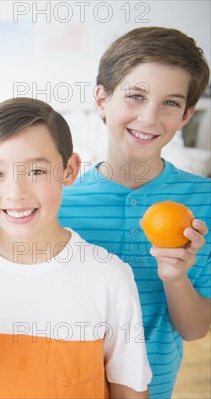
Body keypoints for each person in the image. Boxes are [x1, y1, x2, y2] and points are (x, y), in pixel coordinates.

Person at [0, 97, 152, 398]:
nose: (16, 193)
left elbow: (130, 389)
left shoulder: (109, 277)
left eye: (36, 172)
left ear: (69, 171)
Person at [58, 27, 211, 398]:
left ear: (187, 114)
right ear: (101, 99)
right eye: (136, 96)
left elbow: (195, 330)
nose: (149, 117)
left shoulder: (203, 200)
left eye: (170, 103)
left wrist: (176, 277)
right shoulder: (60, 202)